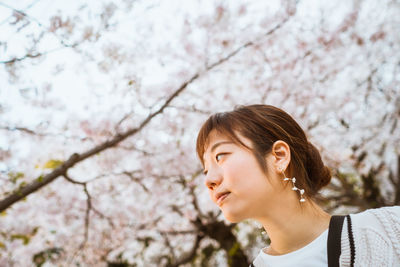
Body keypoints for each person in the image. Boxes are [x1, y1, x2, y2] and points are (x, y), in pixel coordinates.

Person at [195, 104, 400, 267]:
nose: (208, 180)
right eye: (205, 170)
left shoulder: (390, 228)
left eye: (220, 156)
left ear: (279, 156)